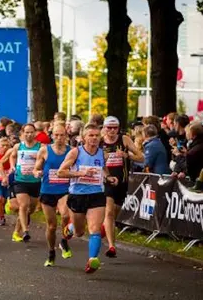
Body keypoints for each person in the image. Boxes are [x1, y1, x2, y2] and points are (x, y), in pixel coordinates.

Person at [58, 124, 118, 273]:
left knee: (95, 229)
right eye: (91, 135)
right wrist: (81, 174)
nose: (94, 138)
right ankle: (69, 230)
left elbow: (103, 169)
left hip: (96, 194)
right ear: (84, 137)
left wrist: (109, 178)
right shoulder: (75, 152)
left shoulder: (102, 154)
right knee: (79, 232)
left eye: (97, 135)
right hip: (77, 195)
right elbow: (61, 172)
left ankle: (92, 260)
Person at [100, 116, 143, 258]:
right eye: (109, 127)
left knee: (114, 215)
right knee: (109, 213)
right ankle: (112, 246)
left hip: (123, 182)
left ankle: (104, 228)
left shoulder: (124, 140)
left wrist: (127, 155)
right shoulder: (99, 141)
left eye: (115, 128)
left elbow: (141, 157)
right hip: (106, 181)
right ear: (104, 128)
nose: (112, 130)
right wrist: (101, 158)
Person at [33, 123, 72, 267]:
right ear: (52, 135)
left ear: (66, 136)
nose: (59, 138)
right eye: (56, 135)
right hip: (48, 190)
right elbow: (36, 168)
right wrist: (37, 172)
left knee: (66, 215)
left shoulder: (71, 151)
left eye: (62, 135)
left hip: (64, 189)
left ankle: (64, 241)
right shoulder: (44, 150)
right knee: (51, 226)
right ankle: (51, 252)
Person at [7, 123, 41, 242]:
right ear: (22, 133)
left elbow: (45, 160)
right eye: (26, 132)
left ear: (35, 133)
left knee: (30, 210)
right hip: (20, 180)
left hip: (35, 181)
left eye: (31, 132)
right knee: (23, 205)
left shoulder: (41, 147)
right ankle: (26, 231)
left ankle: (17, 231)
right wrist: (12, 166)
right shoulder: (18, 146)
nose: (29, 134)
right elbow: (12, 156)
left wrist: (40, 169)